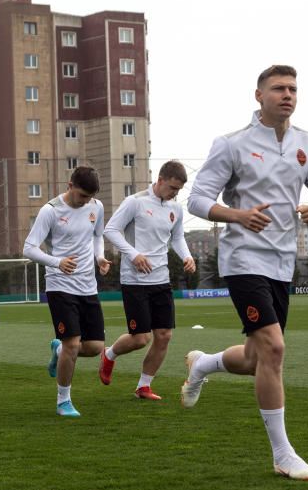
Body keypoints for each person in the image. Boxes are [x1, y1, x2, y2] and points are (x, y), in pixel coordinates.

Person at [184, 65, 308, 480]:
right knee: (274, 348)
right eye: (278, 88)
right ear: (259, 95)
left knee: (256, 358)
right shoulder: (232, 144)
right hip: (242, 259)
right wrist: (237, 215)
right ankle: (282, 454)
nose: (287, 95)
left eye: (292, 89)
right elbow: (196, 200)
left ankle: (203, 364)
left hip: (282, 261)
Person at [101, 161, 196, 400]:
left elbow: (177, 238)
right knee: (140, 339)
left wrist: (187, 256)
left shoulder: (176, 209)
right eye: (173, 187)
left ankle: (143, 386)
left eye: (179, 190)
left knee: (164, 335)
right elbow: (111, 230)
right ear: (160, 179)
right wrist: (134, 255)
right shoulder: (135, 202)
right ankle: (109, 354)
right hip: (134, 281)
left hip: (161, 279)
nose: (175, 193)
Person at [23, 167, 110, 416]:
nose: (85, 201)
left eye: (89, 197)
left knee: (94, 347)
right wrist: (57, 262)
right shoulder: (50, 210)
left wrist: (100, 258)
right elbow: (29, 248)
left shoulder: (97, 206)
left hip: (88, 285)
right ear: (70, 185)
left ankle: (58, 350)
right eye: (82, 195)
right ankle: (64, 401)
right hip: (60, 285)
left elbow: (97, 236)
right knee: (73, 343)